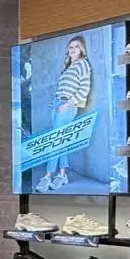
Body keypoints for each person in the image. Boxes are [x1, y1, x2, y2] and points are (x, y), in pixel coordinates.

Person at [37, 35, 92, 192]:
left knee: (55, 141)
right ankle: (62, 175)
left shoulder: (83, 64)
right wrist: (55, 101)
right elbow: (64, 88)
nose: (73, 49)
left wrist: (66, 104)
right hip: (58, 104)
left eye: (76, 46)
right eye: (71, 47)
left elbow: (84, 89)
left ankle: (48, 175)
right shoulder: (68, 68)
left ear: (81, 49)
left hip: (67, 106)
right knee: (61, 141)